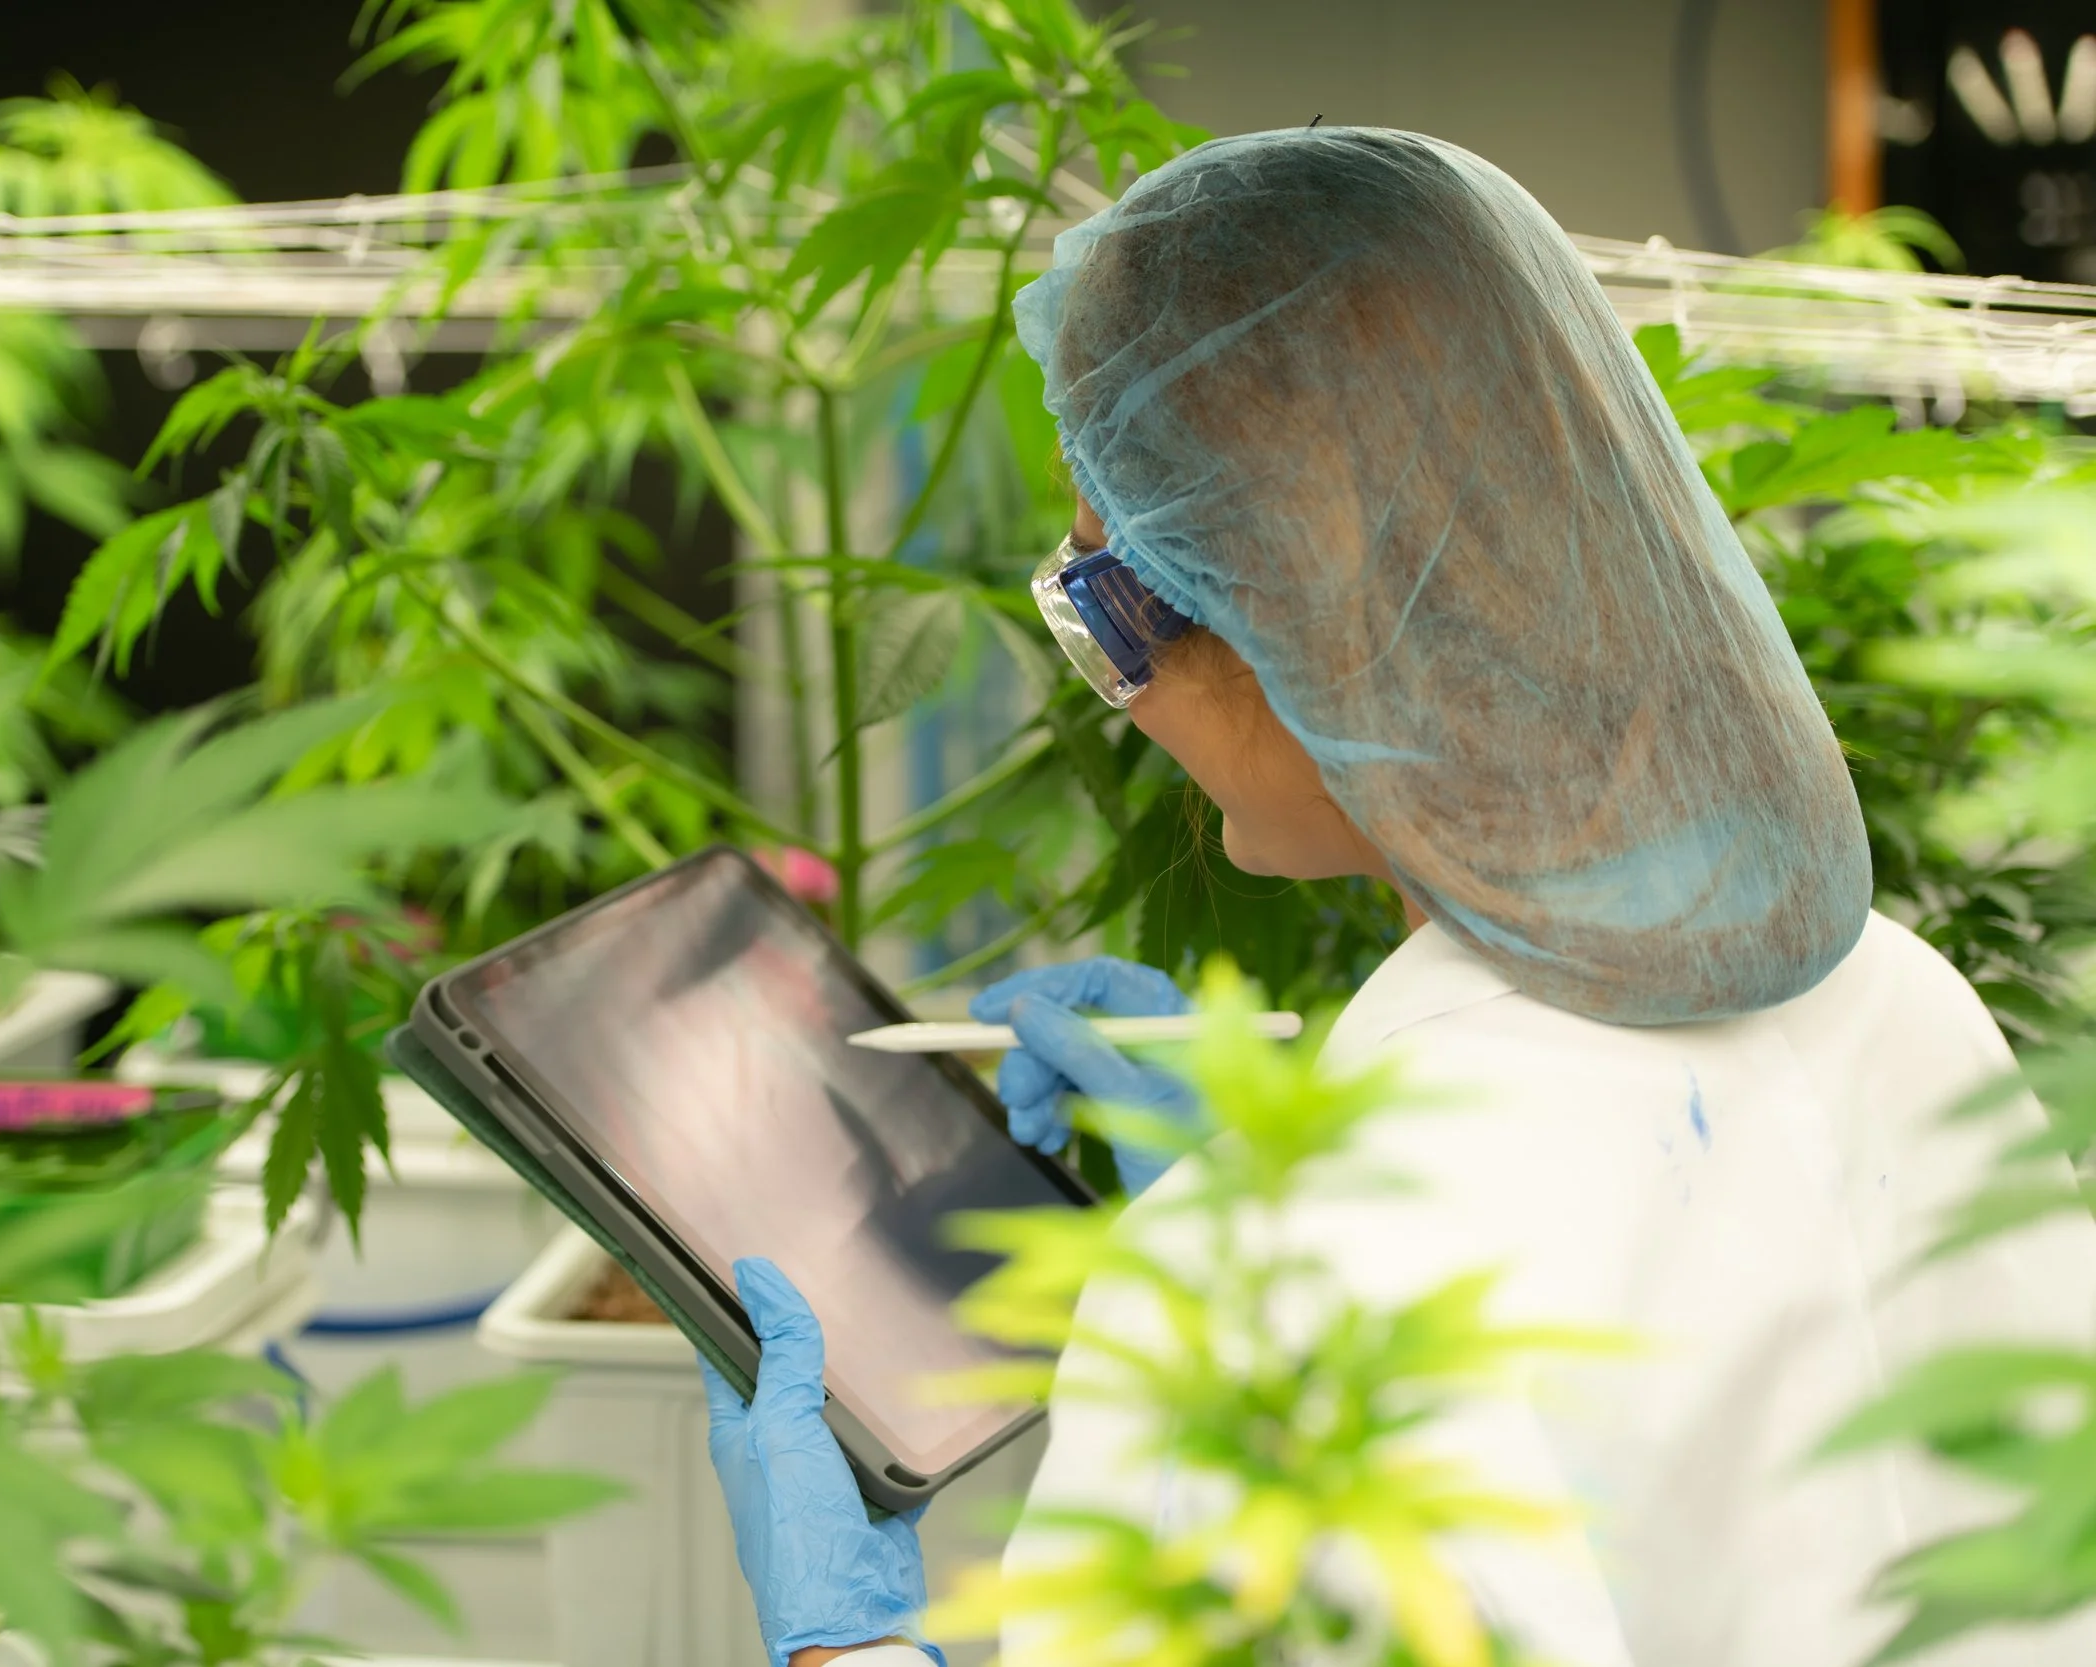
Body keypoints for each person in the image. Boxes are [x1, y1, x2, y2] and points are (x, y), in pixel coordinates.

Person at [694, 127, 2096, 1667]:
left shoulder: (1284, 1287)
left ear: (1304, 620)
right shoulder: (1903, 1002)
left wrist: (845, 1642)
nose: (1118, 695)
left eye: (1110, 595)